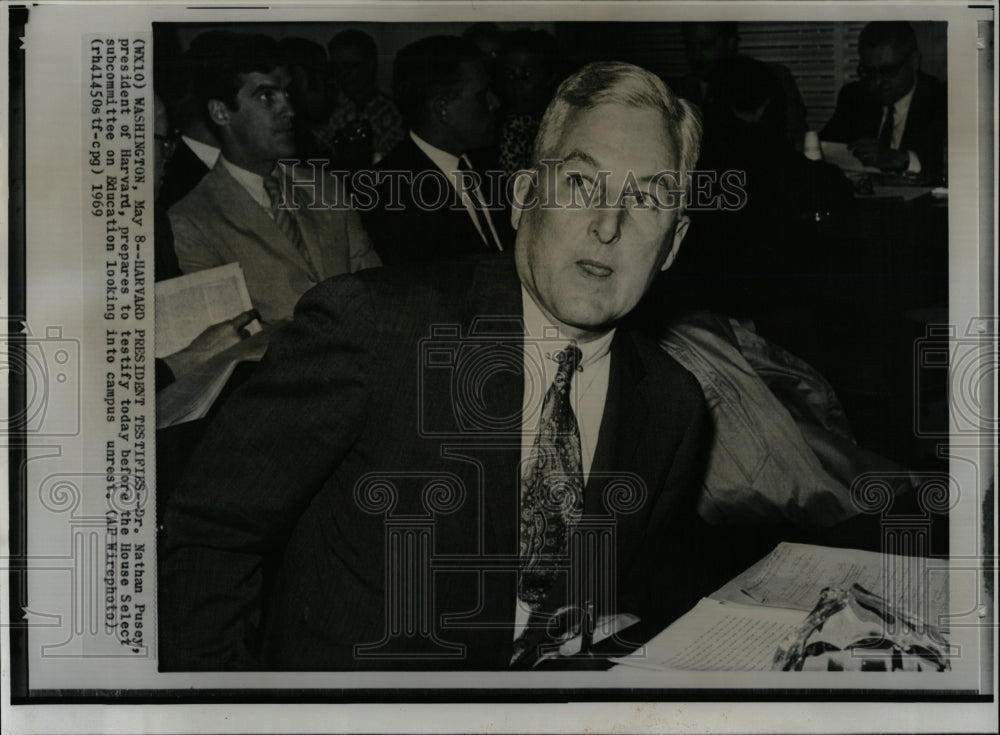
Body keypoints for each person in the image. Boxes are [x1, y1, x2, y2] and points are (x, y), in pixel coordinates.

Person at [159, 60, 713, 671]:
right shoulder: (375, 329)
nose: (609, 226)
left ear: (675, 242)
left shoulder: (671, 405)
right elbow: (209, 535)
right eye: (580, 184)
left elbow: (626, 596)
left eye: (647, 201)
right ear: (525, 197)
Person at [167, 33, 381, 324]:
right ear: (220, 113)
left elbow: (376, 289)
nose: (290, 111)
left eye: (288, 95)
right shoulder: (192, 220)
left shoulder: (326, 187)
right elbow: (233, 342)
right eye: (266, 97)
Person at [359, 35, 512, 265]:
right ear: (442, 109)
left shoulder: (487, 164)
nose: (495, 103)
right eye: (481, 96)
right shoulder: (388, 193)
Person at [821, 21, 946, 181]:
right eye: (870, 72)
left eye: (890, 71)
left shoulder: (941, 99)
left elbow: (950, 168)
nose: (879, 82)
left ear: (914, 62)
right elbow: (823, 150)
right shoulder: (854, 96)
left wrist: (903, 159)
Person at [673, 22, 808, 151]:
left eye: (707, 45)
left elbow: (798, 139)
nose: (696, 56)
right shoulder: (679, 91)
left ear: (730, 43)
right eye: (690, 47)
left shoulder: (771, 78)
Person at [326, 29, 405, 163]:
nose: (342, 74)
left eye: (349, 66)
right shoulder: (330, 111)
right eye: (336, 68)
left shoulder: (394, 115)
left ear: (369, 64)